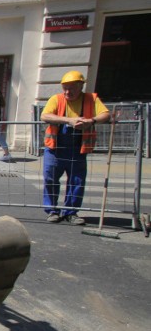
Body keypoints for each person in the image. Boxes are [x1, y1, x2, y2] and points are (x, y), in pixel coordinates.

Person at [40, 70, 111, 226]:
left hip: (78, 148)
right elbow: (45, 116)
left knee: (77, 181)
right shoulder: (56, 99)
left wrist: (91, 121)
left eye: (71, 88)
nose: (67, 91)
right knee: (50, 179)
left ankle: (71, 212)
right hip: (55, 148)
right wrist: (69, 120)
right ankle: (52, 210)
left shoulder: (91, 99)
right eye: (65, 88)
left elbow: (106, 115)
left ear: (81, 86)